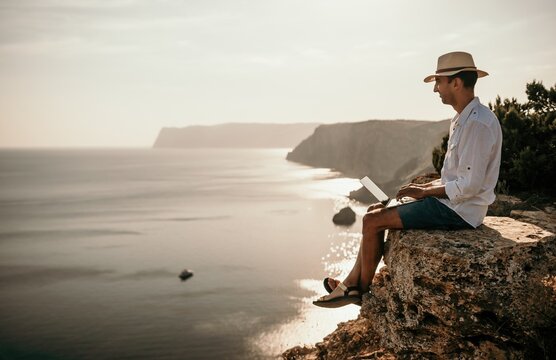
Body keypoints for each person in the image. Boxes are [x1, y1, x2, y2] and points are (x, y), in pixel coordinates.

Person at [313, 51, 503, 308]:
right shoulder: (462, 119)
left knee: (372, 220)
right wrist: (423, 188)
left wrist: (424, 194)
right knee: (373, 209)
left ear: (456, 82)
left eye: (439, 81)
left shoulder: (477, 124)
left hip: (461, 212)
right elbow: (456, 178)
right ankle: (350, 283)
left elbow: (469, 186)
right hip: (453, 205)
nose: (436, 89)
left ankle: (358, 290)